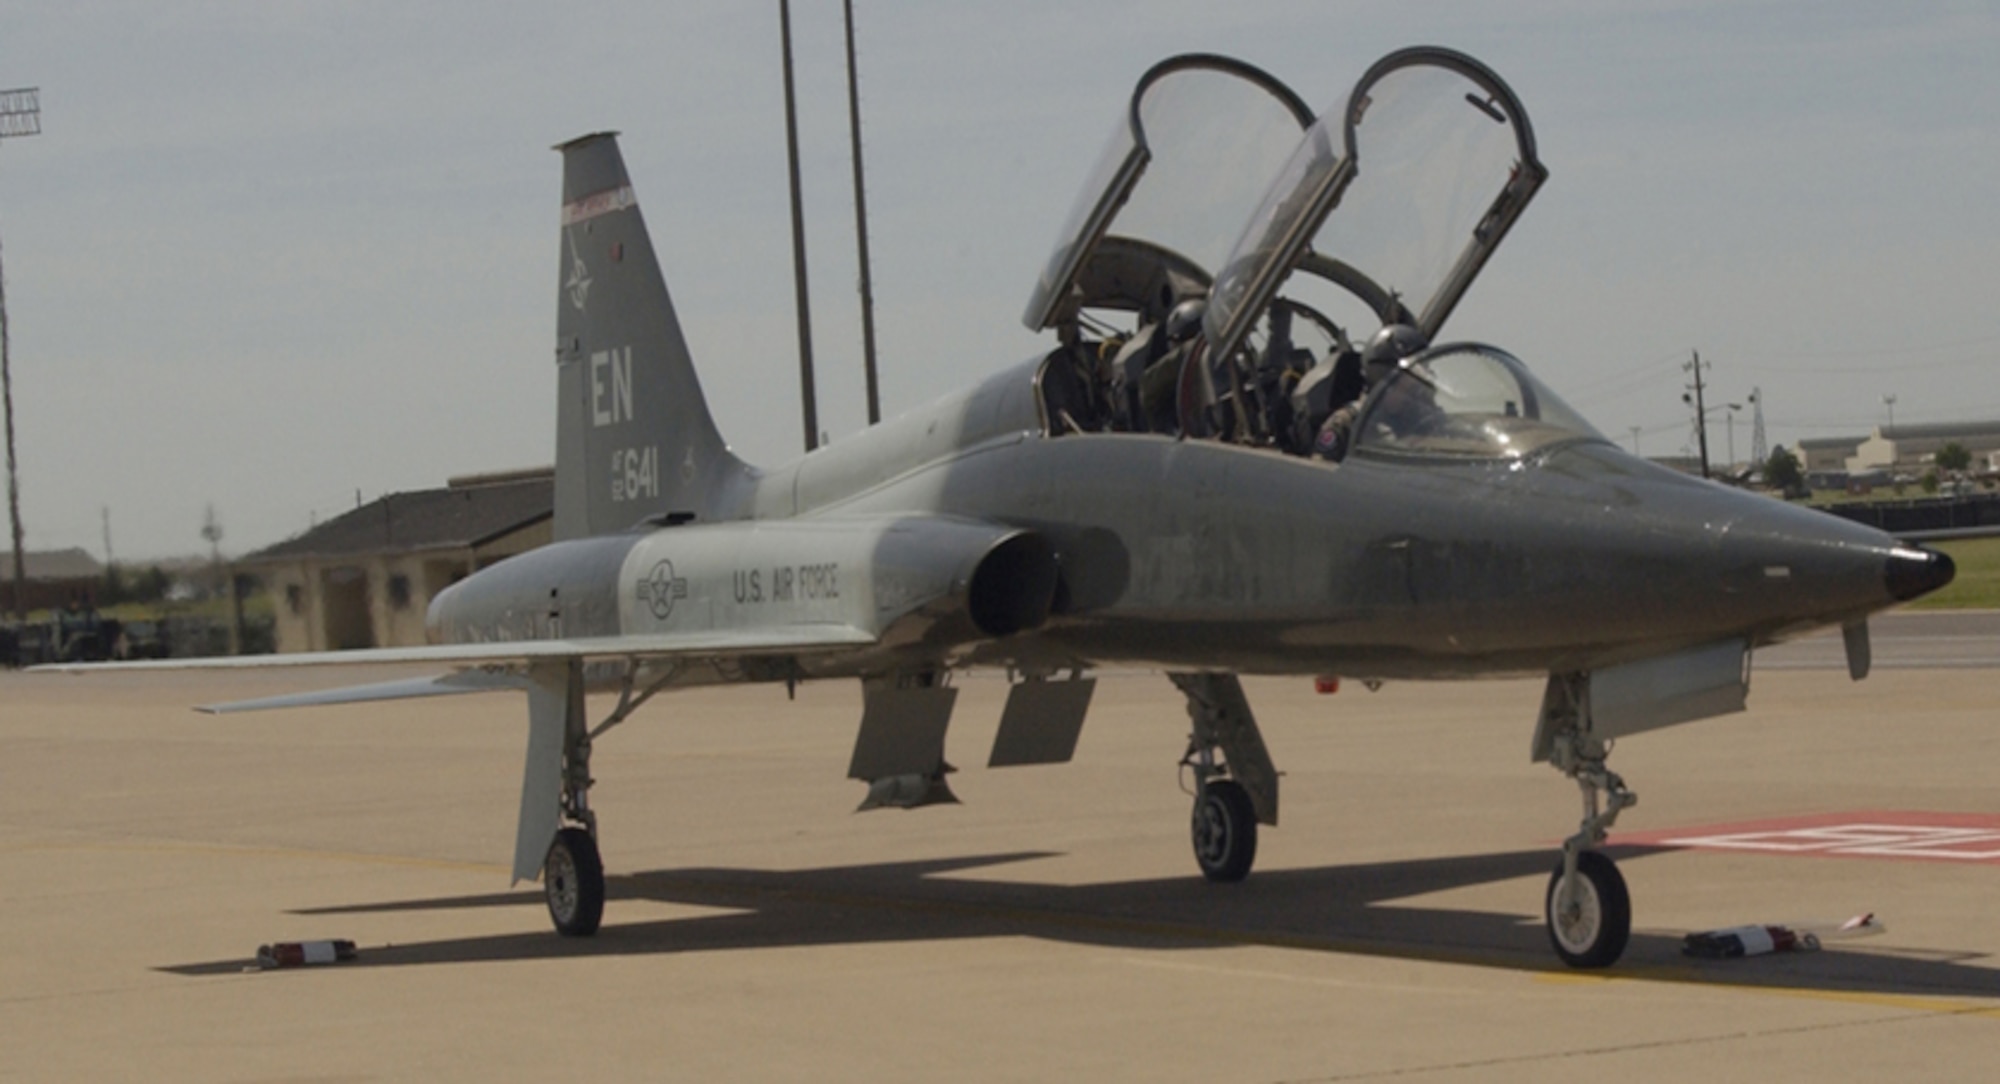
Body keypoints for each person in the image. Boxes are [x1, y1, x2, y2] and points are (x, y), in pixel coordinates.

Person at [1312, 323, 1427, 461]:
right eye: (1401, 385)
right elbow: (1321, 474)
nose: (1409, 395)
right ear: (1379, 378)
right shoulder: (1347, 423)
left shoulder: (1421, 420)